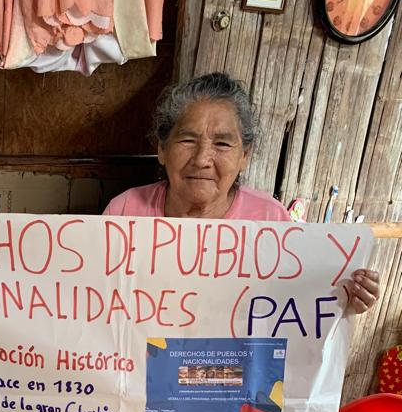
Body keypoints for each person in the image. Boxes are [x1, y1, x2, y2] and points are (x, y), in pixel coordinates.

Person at [105, 71, 380, 314]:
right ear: (162, 149)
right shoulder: (124, 212)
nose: (202, 159)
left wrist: (342, 299)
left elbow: (298, 307)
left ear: (244, 156)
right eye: (187, 140)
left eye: (222, 144)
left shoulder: (271, 220)